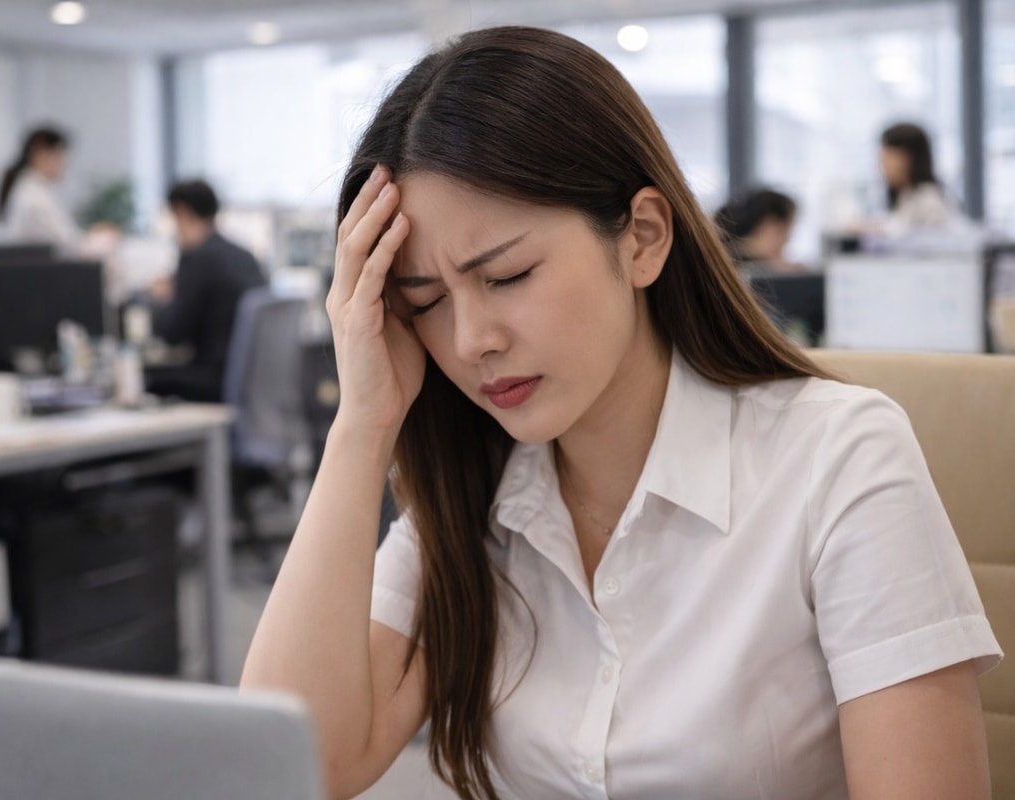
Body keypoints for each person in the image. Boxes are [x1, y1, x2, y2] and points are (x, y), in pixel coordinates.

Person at [241, 26, 1001, 800]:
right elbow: (288, 771)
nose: (471, 342)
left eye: (506, 276)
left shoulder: (836, 459)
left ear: (642, 238)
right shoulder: (474, 500)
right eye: (426, 301)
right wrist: (362, 427)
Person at [146, 180, 266, 403]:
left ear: (180, 211)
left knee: (144, 378)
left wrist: (160, 299)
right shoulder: (245, 256)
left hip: (215, 381)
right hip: (250, 380)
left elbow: (172, 332)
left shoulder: (197, 257)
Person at [0, 126, 86, 251]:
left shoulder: (32, 189)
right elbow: (69, 243)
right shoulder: (34, 197)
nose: (65, 164)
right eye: (60, 156)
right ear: (40, 154)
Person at [877, 122, 955, 235]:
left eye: (888, 158)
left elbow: (926, 241)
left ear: (910, 159)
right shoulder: (905, 196)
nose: (883, 166)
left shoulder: (929, 200)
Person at [714, 186, 801, 272]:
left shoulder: (721, 257)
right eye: (788, 229)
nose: (787, 239)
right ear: (771, 226)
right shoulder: (748, 271)